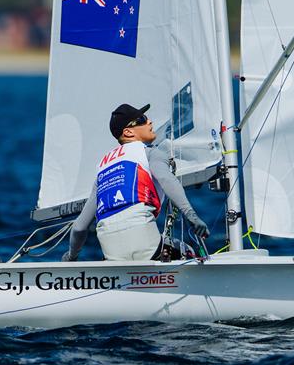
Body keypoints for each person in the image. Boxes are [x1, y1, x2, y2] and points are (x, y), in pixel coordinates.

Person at [61, 103, 210, 261]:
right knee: (189, 252)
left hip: (111, 253)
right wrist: (191, 216)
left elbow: (79, 228)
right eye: (142, 119)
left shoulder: (102, 169)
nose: (150, 122)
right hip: (146, 245)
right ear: (128, 132)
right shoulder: (150, 153)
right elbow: (166, 179)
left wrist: (71, 256)